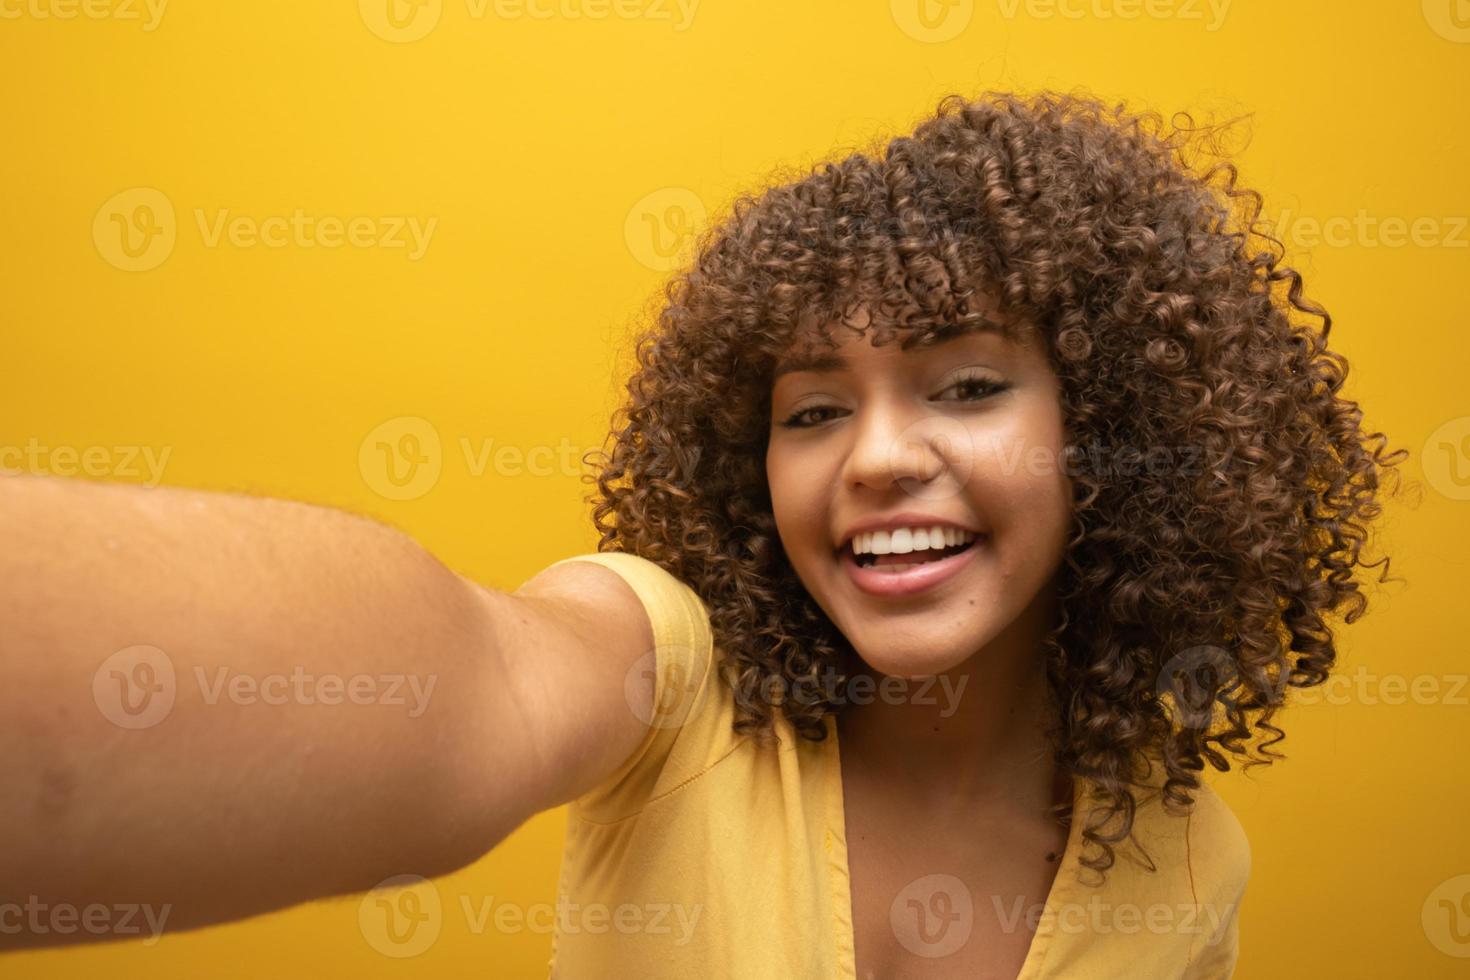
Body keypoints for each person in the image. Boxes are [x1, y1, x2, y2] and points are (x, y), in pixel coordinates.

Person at [0, 90, 1405, 978]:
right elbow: (470, 677)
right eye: (809, 412)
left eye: (966, 386)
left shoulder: (1188, 861)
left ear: (1106, 427)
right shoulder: (670, 682)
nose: (876, 459)